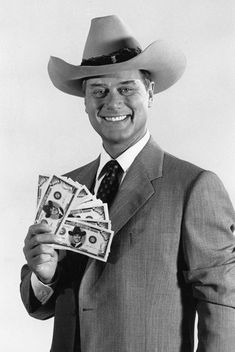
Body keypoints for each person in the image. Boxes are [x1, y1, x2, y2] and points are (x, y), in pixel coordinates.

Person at [20, 15, 235, 352]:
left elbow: (222, 302)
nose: (112, 102)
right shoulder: (69, 186)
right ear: (85, 102)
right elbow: (43, 305)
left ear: (149, 93)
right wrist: (43, 277)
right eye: (99, 91)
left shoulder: (194, 187)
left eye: (126, 88)